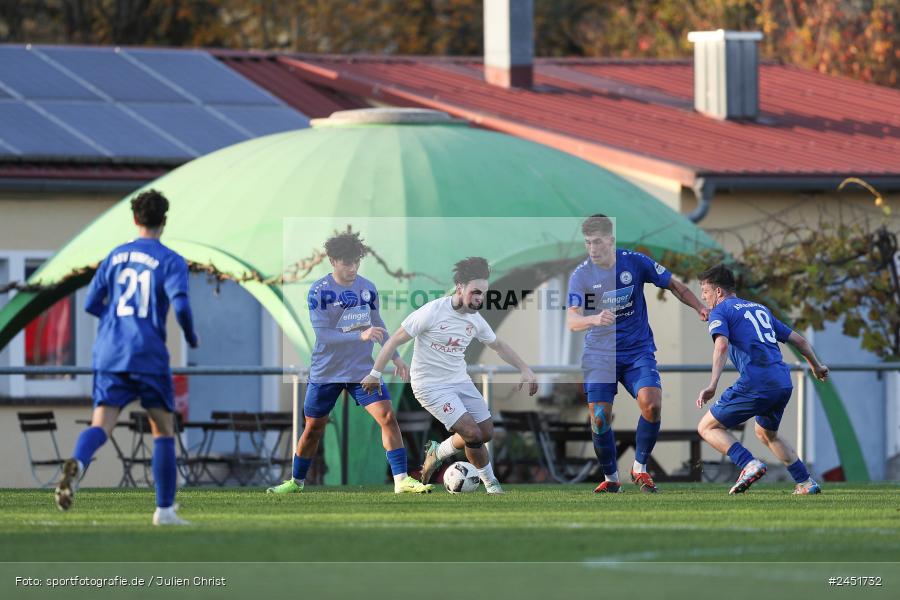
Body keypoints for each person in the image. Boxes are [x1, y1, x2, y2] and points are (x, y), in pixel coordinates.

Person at [54, 189, 198, 525]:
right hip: (147, 352)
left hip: (109, 352)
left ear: (135, 220)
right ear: (163, 221)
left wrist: (116, 321)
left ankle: (77, 463)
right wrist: (191, 336)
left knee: (101, 424)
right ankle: (164, 510)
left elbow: (91, 303)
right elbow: (182, 306)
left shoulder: (114, 256)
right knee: (162, 429)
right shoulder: (171, 260)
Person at [267, 231, 431, 495]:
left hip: (361, 371)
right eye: (346, 262)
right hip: (326, 372)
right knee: (313, 429)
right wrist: (360, 334)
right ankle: (296, 482)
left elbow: (377, 324)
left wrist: (397, 358)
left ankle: (401, 480)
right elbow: (323, 335)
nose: (352, 268)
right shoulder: (319, 291)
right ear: (332, 261)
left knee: (388, 417)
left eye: (356, 262)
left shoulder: (367, 288)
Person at [362, 257, 538, 495]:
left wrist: (525, 368)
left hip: (460, 381)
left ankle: (439, 451)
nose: (479, 298)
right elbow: (394, 339)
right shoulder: (432, 312)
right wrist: (375, 373)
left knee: (486, 433)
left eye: (483, 293)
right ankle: (492, 485)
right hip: (430, 386)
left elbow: (498, 345)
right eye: (475, 292)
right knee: (472, 434)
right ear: (459, 288)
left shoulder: (475, 320)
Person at [567, 214, 709, 493]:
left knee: (652, 405)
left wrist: (700, 307)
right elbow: (572, 321)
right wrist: (594, 319)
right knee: (599, 419)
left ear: (611, 240)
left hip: (637, 351)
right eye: (587, 243)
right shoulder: (581, 275)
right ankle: (611, 478)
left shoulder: (635, 262)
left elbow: (675, 285)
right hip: (599, 355)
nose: (592, 248)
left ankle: (640, 468)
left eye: (597, 242)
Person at [695, 264, 828, 494]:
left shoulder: (721, 311)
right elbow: (800, 341)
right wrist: (816, 367)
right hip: (782, 381)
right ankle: (805, 482)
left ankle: (748, 463)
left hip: (757, 382)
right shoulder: (760, 309)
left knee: (707, 426)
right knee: (766, 433)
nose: (703, 297)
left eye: (705, 292)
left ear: (718, 292)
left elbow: (722, 345)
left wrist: (712, 385)